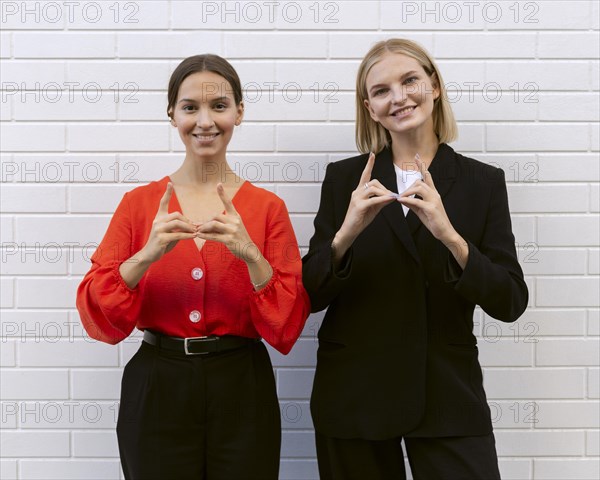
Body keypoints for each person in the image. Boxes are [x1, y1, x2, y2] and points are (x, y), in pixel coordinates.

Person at [302, 38, 528, 479]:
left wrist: (450, 237)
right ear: (370, 108)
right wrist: (346, 233)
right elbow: (308, 295)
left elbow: (510, 301)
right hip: (355, 393)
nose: (399, 97)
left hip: (447, 394)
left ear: (435, 87)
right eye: (382, 90)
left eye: (410, 81)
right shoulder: (345, 179)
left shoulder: (482, 182)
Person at [76, 54, 310, 480]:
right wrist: (146, 255)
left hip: (242, 385)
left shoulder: (267, 208)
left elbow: (287, 327)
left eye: (219, 106)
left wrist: (251, 255)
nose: (205, 120)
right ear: (172, 115)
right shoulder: (139, 204)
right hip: (157, 385)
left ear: (239, 112)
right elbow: (100, 320)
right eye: (190, 107)